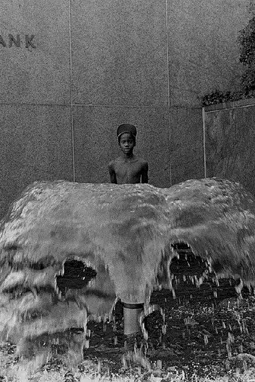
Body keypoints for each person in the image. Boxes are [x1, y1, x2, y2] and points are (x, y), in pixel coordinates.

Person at [108, 124, 149, 354]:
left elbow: (146, 189)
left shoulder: (141, 164)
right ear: (118, 143)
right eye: (123, 142)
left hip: (135, 212)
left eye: (130, 141)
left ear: (134, 142)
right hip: (121, 213)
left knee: (136, 249)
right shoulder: (113, 165)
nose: (127, 145)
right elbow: (112, 191)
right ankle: (123, 287)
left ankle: (136, 290)